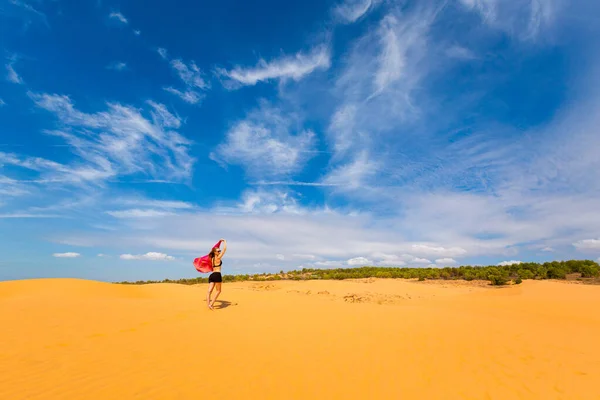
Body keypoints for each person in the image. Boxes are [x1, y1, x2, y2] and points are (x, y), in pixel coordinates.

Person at [207, 239, 227, 310]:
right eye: (218, 251)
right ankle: (211, 304)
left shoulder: (211, 259)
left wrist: (219, 243)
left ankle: (208, 304)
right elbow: (224, 249)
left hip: (212, 275)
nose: (219, 252)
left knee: (209, 291)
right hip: (217, 275)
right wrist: (224, 241)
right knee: (218, 291)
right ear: (215, 252)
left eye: (219, 251)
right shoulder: (218, 258)